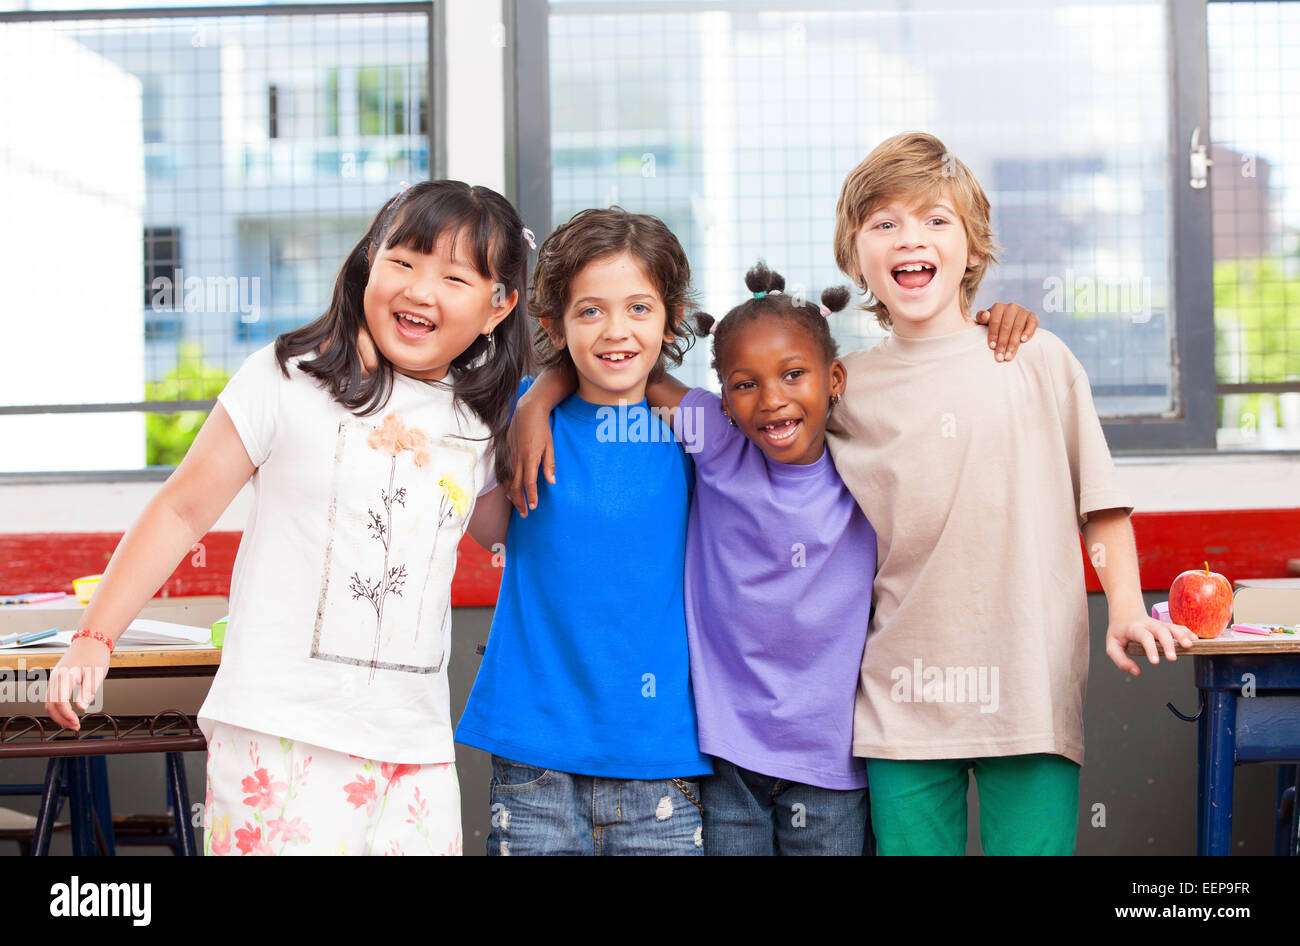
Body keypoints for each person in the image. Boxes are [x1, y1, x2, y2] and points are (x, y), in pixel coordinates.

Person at [46, 180, 531, 856]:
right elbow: (182, 510)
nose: (420, 290)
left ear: (497, 307)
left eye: (454, 277)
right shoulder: (287, 376)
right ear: (369, 261)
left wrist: (558, 394)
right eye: (403, 262)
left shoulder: (478, 423)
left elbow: (515, 535)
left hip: (412, 752)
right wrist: (95, 637)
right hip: (277, 734)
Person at [509, 258, 1039, 855]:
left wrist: (990, 323)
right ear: (723, 396)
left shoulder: (864, 460)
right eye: (744, 384)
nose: (771, 400)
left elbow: (935, 387)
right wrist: (536, 401)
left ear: (834, 379)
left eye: (793, 375)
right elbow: (628, 374)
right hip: (728, 754)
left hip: (833, 759)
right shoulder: (716, 442)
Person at [826, 131, 1198, 855]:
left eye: (937, 219)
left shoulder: (1035, 356)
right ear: (855, 254)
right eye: (885, 223)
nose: (912, 237)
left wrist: (1124, 606)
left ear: (973, 248)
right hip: (898, 697)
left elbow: (1103, 505)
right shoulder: (842, 388)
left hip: (1028, 686)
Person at [454, 207, 712, 856]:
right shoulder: (518, 416)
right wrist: (536, 397)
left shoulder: (697, 426)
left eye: (639, 309)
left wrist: (543, 390)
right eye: (590, 311)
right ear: (554, 325)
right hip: (534, 754)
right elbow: (482, 526)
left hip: (659, 755)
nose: (616, 330)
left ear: (672, 319)